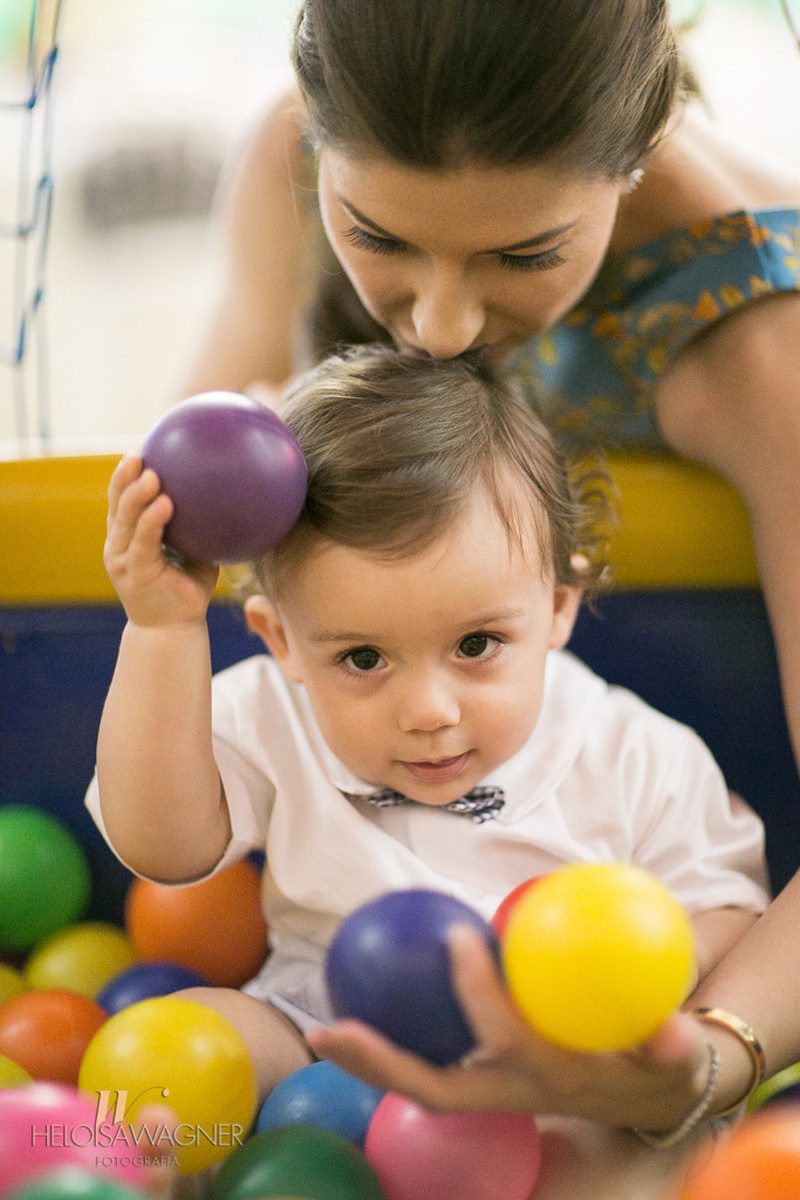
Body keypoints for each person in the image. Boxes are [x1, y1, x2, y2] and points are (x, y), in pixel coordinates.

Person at [177, 0, 800, 1156]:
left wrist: (705, 1055)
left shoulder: (767, 347)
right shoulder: (290, 154)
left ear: (635, 149)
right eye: (376, 234)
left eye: (524, 254)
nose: (444, 326)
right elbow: (204, 488)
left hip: (618, 869)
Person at [87, 348, 768, 1195]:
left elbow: (730, 910)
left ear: (558, 607)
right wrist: (161, 633)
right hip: (315, 1030)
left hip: (538, 1068)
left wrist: (617, 995)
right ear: (283, 642)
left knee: (607, 1145)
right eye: (364, 657)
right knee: (177, 1040)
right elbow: (165, 848)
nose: (430, 710)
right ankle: (155, 1173)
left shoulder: (634, 753)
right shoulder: (269, 712)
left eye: (476, 646)